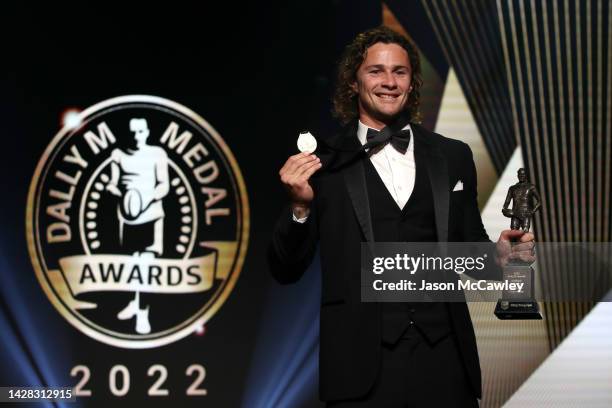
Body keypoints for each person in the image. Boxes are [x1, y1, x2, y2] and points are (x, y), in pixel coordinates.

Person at [269, 26, 535, 406]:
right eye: (376, 71)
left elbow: (469, 253)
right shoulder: (322, 164)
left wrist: (501, 257)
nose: (389, 82)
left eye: (400, 72)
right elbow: (285, 268)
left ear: (412, 83)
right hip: (360, 366)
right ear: (353, 82)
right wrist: (300, 207)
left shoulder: (453, 156)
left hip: (444, 362)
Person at [106, 118, 170, 334]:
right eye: (133, 132)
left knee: (146, 266)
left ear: (147, 131)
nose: (137, 136)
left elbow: (164, 185)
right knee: (132, 264)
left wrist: (145, 199)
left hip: (151, 216)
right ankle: (134, 303)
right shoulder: (118, 154)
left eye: (141, 131)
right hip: (127, 218)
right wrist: (121, 195)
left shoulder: (158, 154)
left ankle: (143, 312)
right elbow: (113, 183)